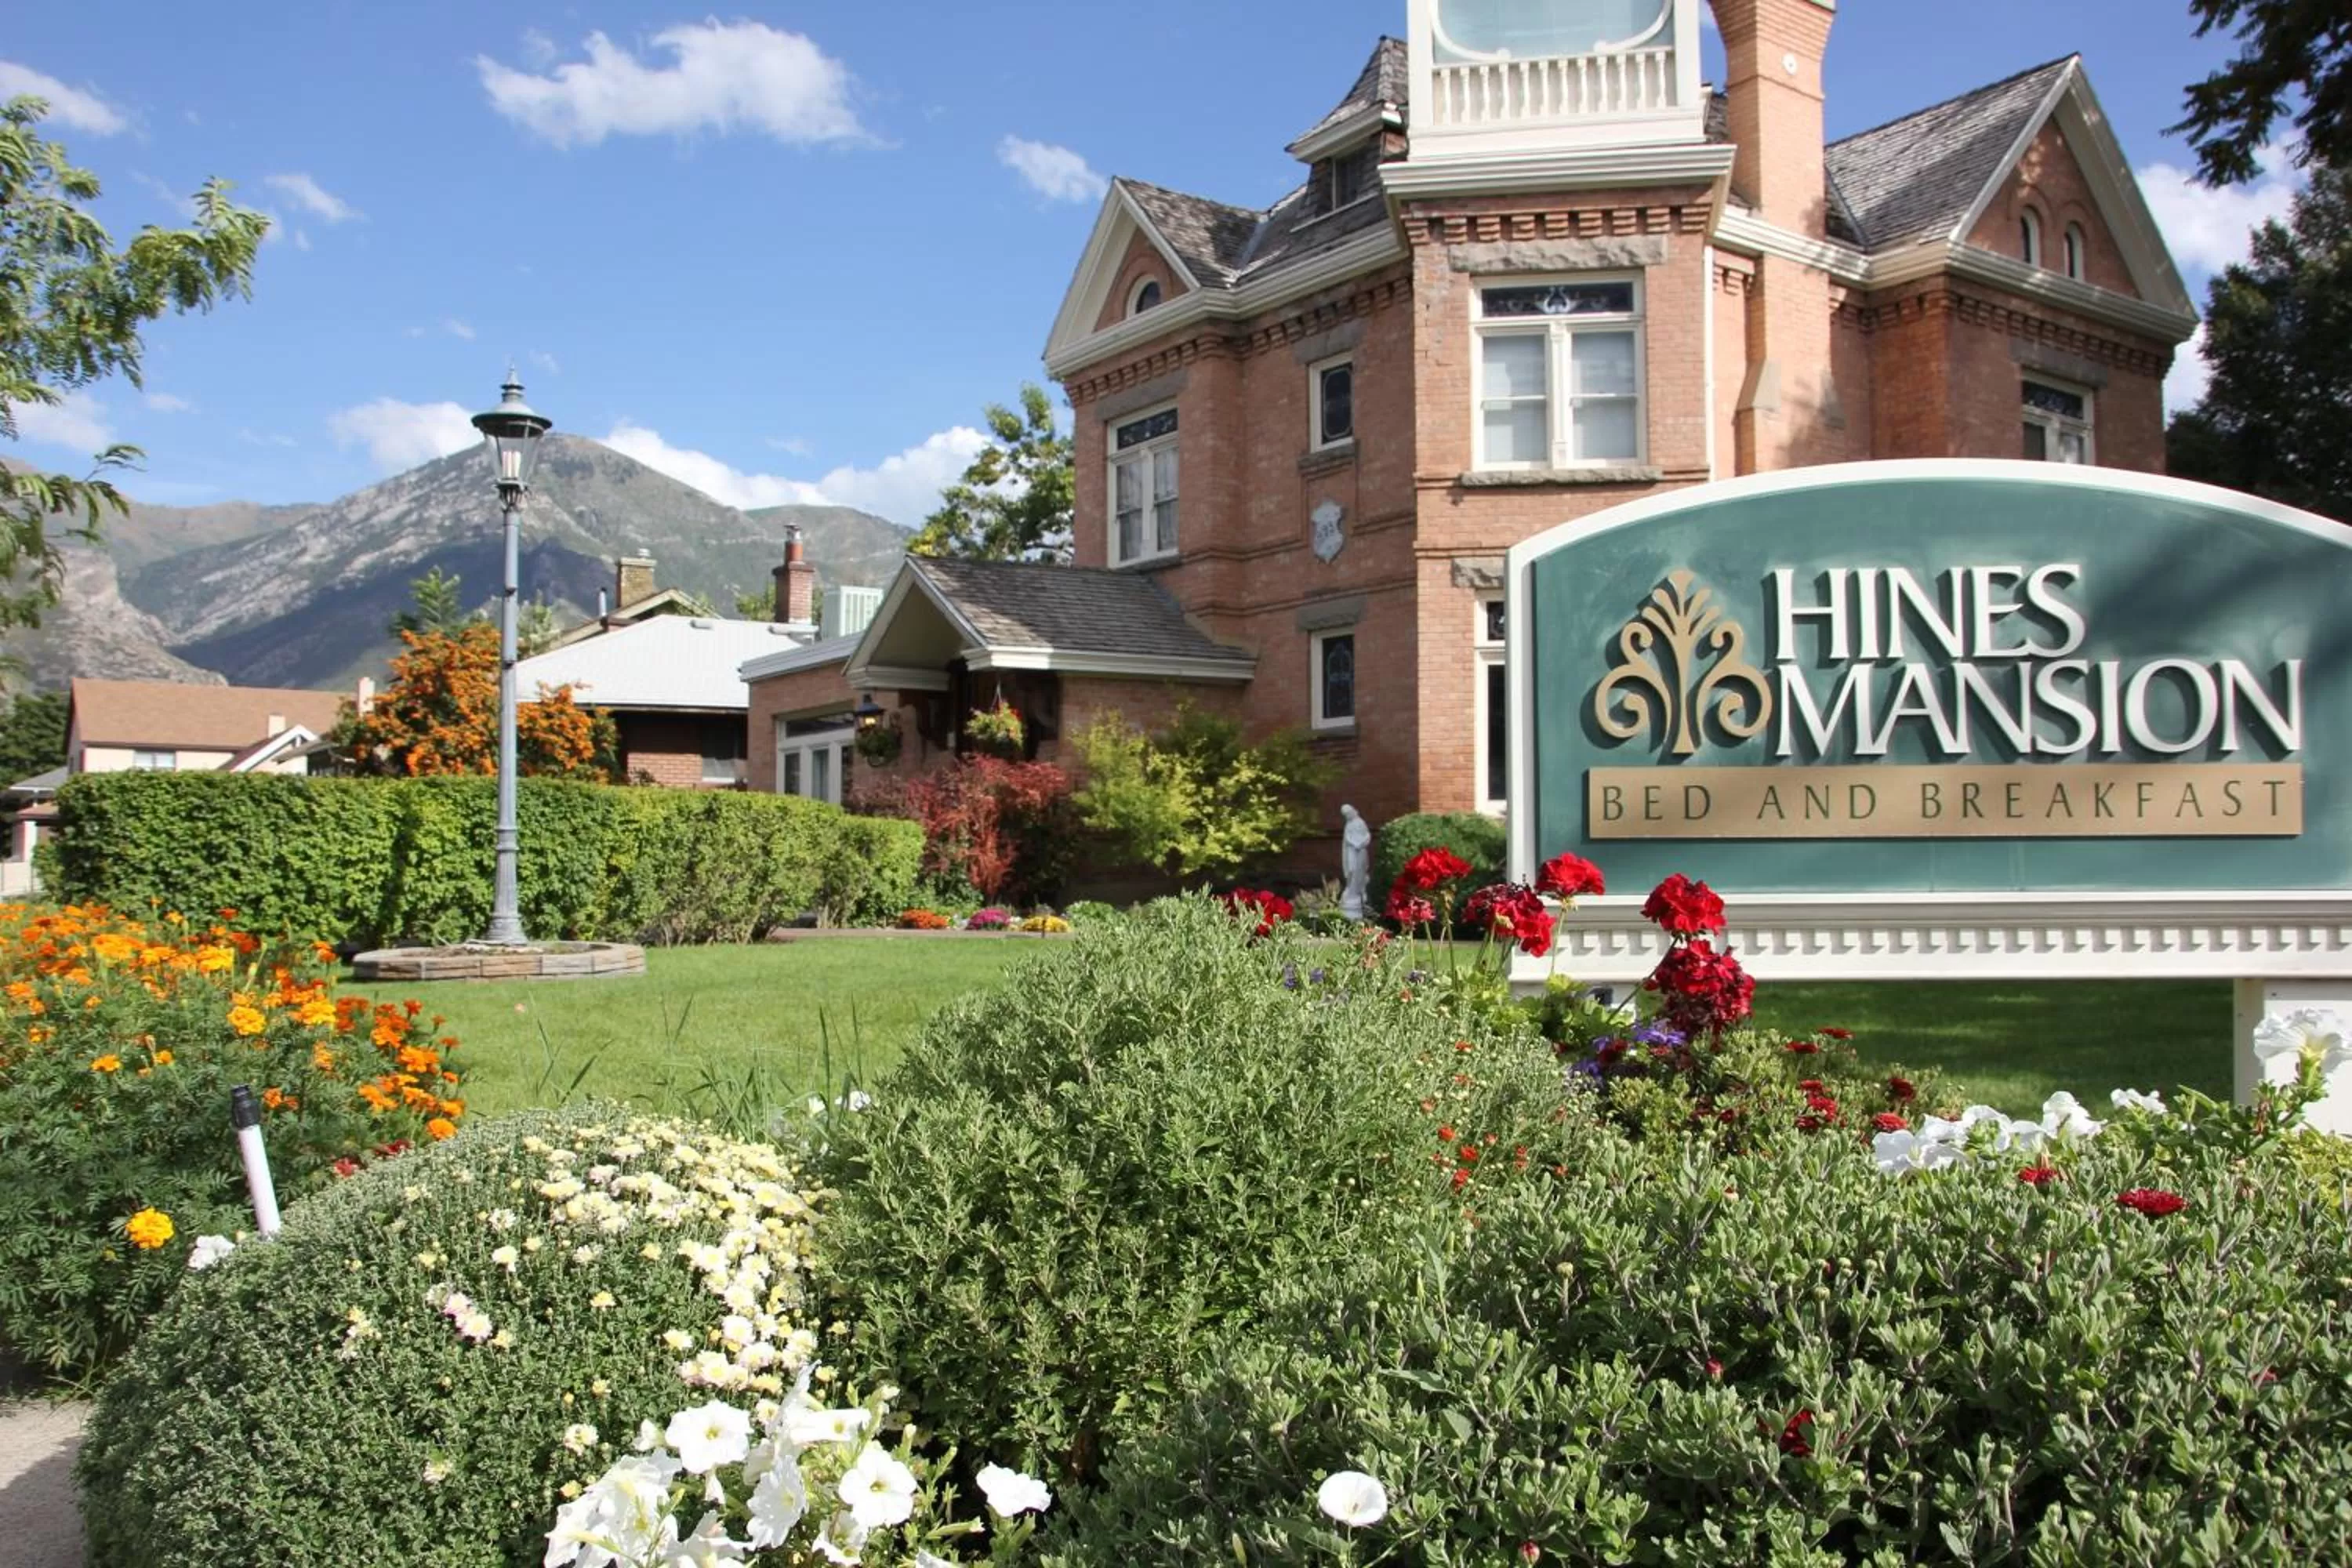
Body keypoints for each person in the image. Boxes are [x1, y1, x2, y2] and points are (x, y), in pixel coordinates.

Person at [1339, 804, 1371, 922]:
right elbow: (1347, 838)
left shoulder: (1360, 822)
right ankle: (1350, 891)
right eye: (1345, 815)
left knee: (1359, 872)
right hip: (1351, 851)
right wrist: (1354, 843)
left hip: (1359, 853)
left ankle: (1358, 892)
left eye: (1348, 813)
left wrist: (1361, 843)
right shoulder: (1349, 824)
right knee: (1351, 871)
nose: (1348, 816)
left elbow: (1367, 836)